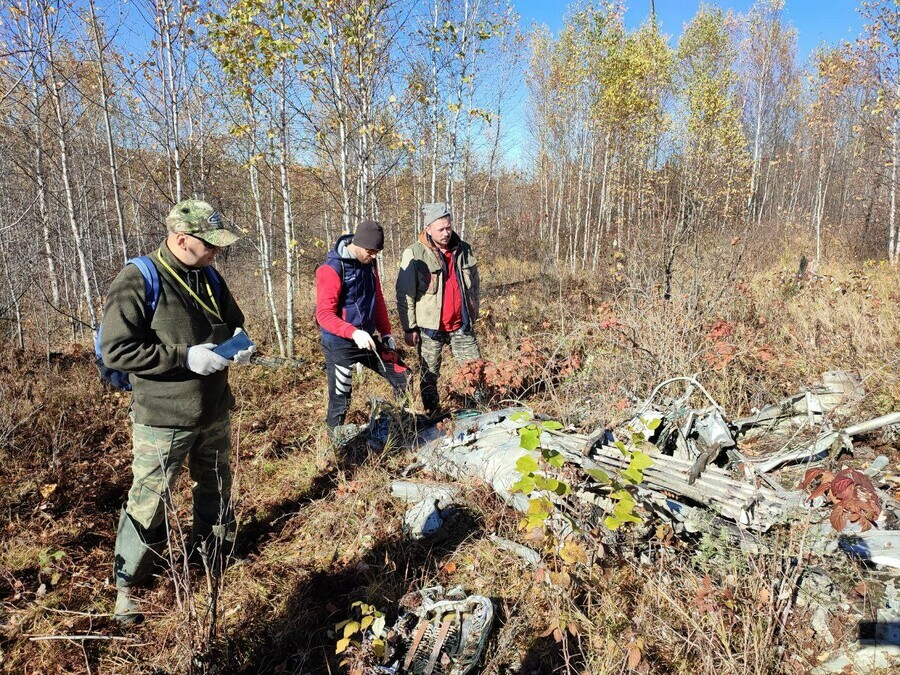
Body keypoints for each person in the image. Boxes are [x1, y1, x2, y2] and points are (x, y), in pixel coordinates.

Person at [100, 199, 255, 624]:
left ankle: (210, 556)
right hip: (163, 418)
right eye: (210, 244)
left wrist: (239, 343)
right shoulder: (138, 278)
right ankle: (130, 585)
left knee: (216, 487)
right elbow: (117, 349)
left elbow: (233, 320)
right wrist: (184, 357)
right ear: (180, 238)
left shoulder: (208, 276)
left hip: (214, 409)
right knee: (150, 500)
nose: (216, 252)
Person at [316, 220, 409, 442]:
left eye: (378, 251)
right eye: (371, 251)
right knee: (341, 397)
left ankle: (400, 426)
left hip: (368, 340)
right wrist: (353, 332)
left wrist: (386, 332)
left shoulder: (369, 264)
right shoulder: (331, 269)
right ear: (357, 245)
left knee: (403, 376)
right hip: (340, 343)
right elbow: (324, 315)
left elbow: (377, 299)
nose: (375, 255)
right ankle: (334, 449)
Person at [396, 203, 480, 415]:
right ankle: (433, 415)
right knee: (429, 375)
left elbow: (475, 284)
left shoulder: (464, 249)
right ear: (428, 229)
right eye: (441, 229)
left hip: (461, 324)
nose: (446, 232)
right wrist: (409, 328)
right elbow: (405, 293)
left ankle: (478, 411)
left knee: (475, 370)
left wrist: (473, 311)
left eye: (448, 227)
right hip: (430, 328)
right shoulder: (414, 253)